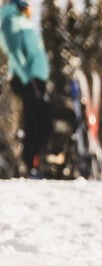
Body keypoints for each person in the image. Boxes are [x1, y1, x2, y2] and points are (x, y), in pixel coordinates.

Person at [0, 0, 52, 178]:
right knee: (35, 123)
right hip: (27, 80)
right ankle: (30, 166)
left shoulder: (20, 20)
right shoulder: (9, 20)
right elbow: (14, 51)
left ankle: (35, 164)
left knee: (41, 122)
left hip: (35, 79)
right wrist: (28, 78)